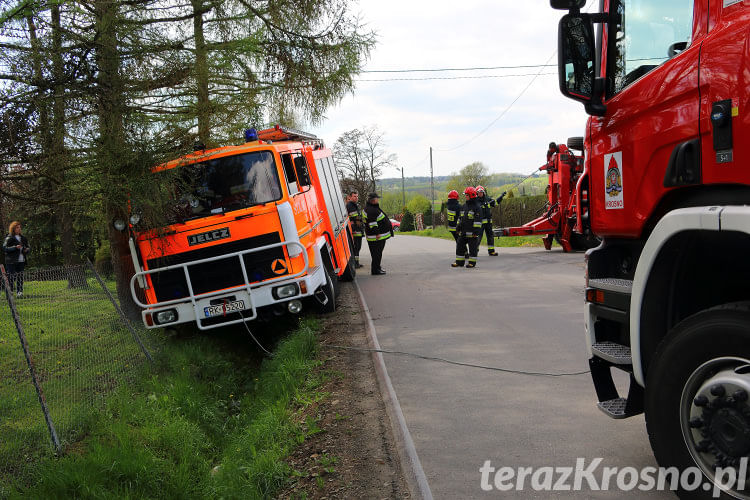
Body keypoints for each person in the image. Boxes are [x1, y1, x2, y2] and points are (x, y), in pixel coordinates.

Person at [452, 187, 482, 268]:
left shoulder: (477, 207)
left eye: (467, 195)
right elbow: (460, 218)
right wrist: (458, 227)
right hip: (463, 232)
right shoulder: (464, 206)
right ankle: (459, 262)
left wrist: (476, 232)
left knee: (473, 248)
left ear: (471, 195)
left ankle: (472, 263)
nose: (465, 196)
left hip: (472, 233)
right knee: (459, 246)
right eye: (465, 195)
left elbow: (478, 221)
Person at [364, 193, 393, 275]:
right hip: (376, 237)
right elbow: (372, 224)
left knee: (377, 254)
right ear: (373, 200)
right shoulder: (371, 210)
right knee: (376, 254)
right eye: (377, 198)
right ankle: (375, 270)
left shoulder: (372, 208)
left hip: (376, 236)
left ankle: (377, 268)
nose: (378, 200)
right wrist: (377, 234)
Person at [3, 221, 30, 297]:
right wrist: (15, 247)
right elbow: (5, 248)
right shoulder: (9, 237)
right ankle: (10, 292)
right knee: (11, 277)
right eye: (17, 227)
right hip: (11, 261)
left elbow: (28, 247)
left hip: (21, 260)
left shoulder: (23, 238)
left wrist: (26, 250)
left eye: (20, 227)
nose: (19, 229)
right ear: (13, 229)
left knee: (20, 277)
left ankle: (19, 292)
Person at [475, 185, 498, 256]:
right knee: (478, 237)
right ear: (476, 193)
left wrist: (501, 197)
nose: (480, 193)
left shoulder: (487, 199)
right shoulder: (475, 201)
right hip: (480, 222)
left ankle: (491, 251)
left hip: (488, 222)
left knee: (490, 236)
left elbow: (495, 203)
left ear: (483, 192)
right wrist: (482, 205)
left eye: (481, 192)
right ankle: (475, 251)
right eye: (479, 192)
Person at [346, 191, 364, 268]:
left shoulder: (354, 205)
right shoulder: (350, 205)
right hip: (355, 229)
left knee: (357, 247)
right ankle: (355, 263)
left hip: (357, 228)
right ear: (350, 197)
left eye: (357, 196)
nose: (356, 198)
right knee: (357, 247)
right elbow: (355, 216)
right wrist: (360, 219)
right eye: (354, 196)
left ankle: (356, 263)